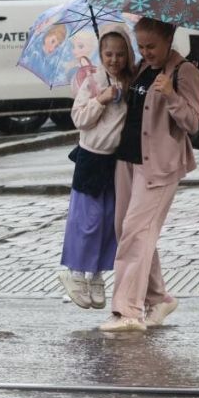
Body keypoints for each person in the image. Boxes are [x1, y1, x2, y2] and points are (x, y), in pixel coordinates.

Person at [100, 17, 199, 332]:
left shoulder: (185, 72)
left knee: (136, 232)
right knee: (127, 230)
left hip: (160, 165)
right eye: (141, 46)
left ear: (169, 37)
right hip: (128, 160)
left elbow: (193, 122)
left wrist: (172, 95)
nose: (146, 52)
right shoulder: (143, 68)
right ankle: (158, 298)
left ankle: (128, 311)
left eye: (151, 46)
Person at [58, 26, 136, 310]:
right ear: (100, 54)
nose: (114, 59)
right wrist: (100, 100)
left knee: (108, 222)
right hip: (91, 158)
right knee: (87, 221)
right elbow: (79, 119)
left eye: (120, 54)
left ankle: (97, 274)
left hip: (115, 161)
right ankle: (76, 273)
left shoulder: (130, 83)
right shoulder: (92, 81)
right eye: (108, 54)